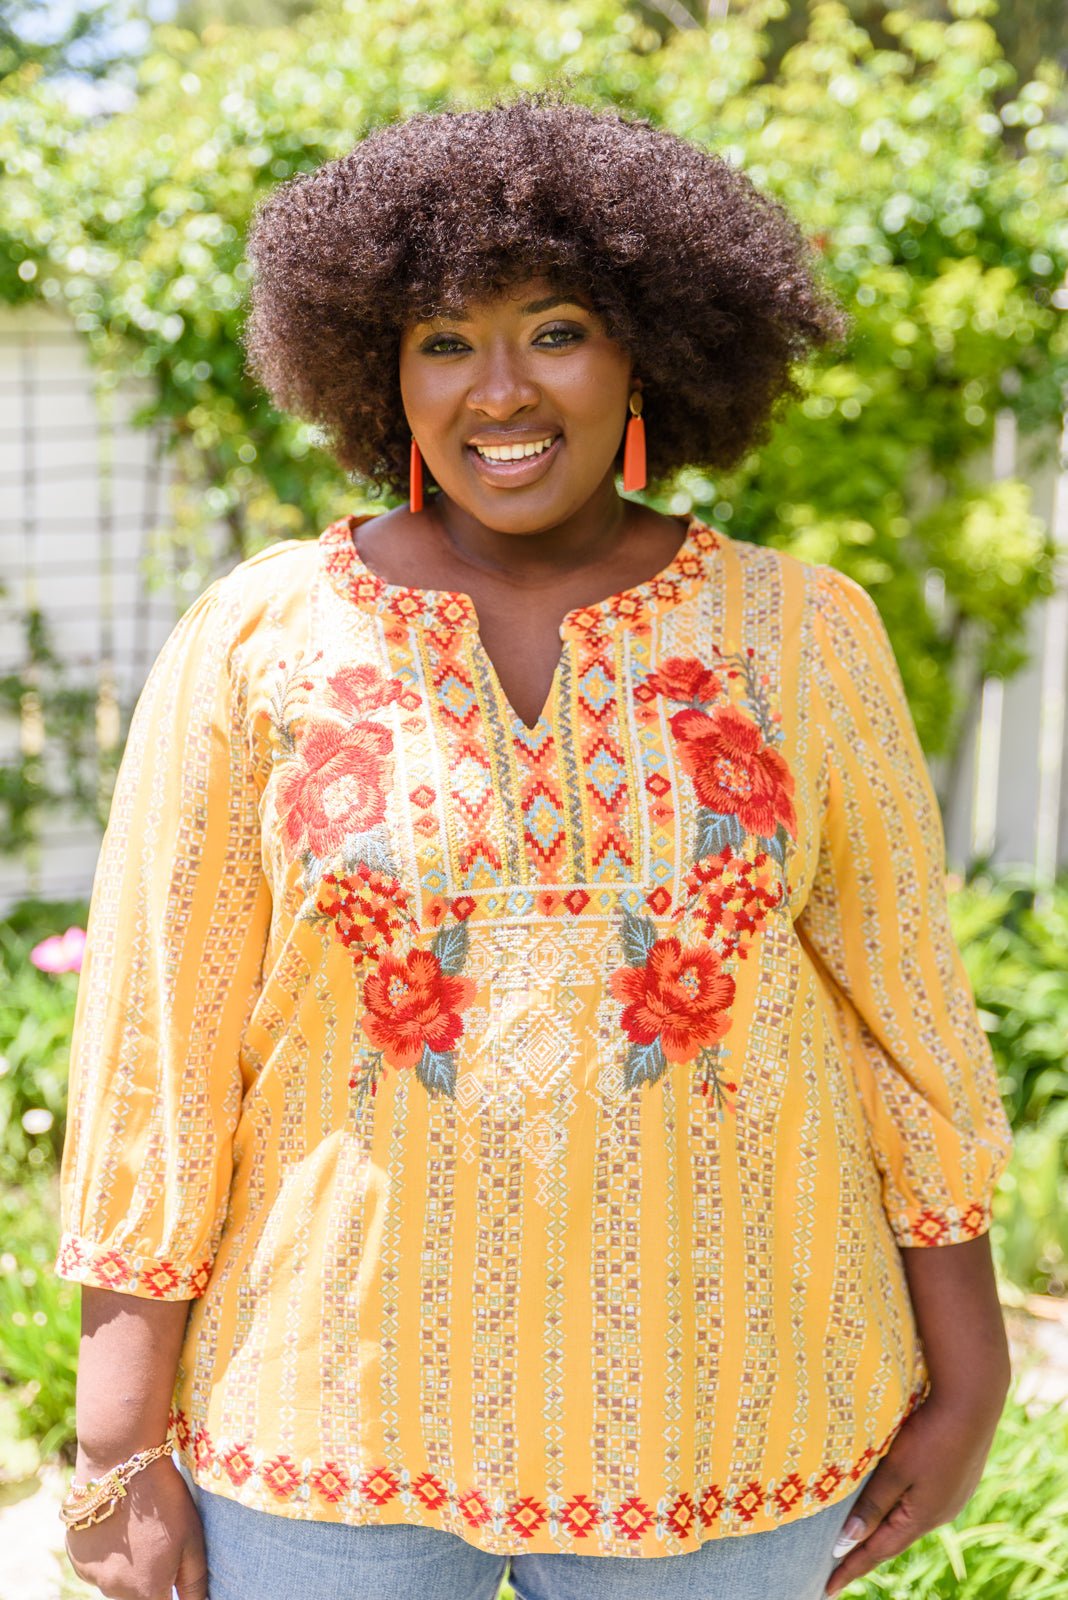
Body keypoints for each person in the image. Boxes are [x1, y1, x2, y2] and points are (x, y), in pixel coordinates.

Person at [57, 90, 1014, 1600]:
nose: (499, 391)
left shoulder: (802, 634)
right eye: (445, 341)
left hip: (728, 1412)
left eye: (556, 331)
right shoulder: (257, 638)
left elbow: (904, 1010)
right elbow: (157, 1042)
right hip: (325, 1419)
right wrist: (117, 1438)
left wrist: (971, 1377)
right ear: (380, 370)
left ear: (649, 348)